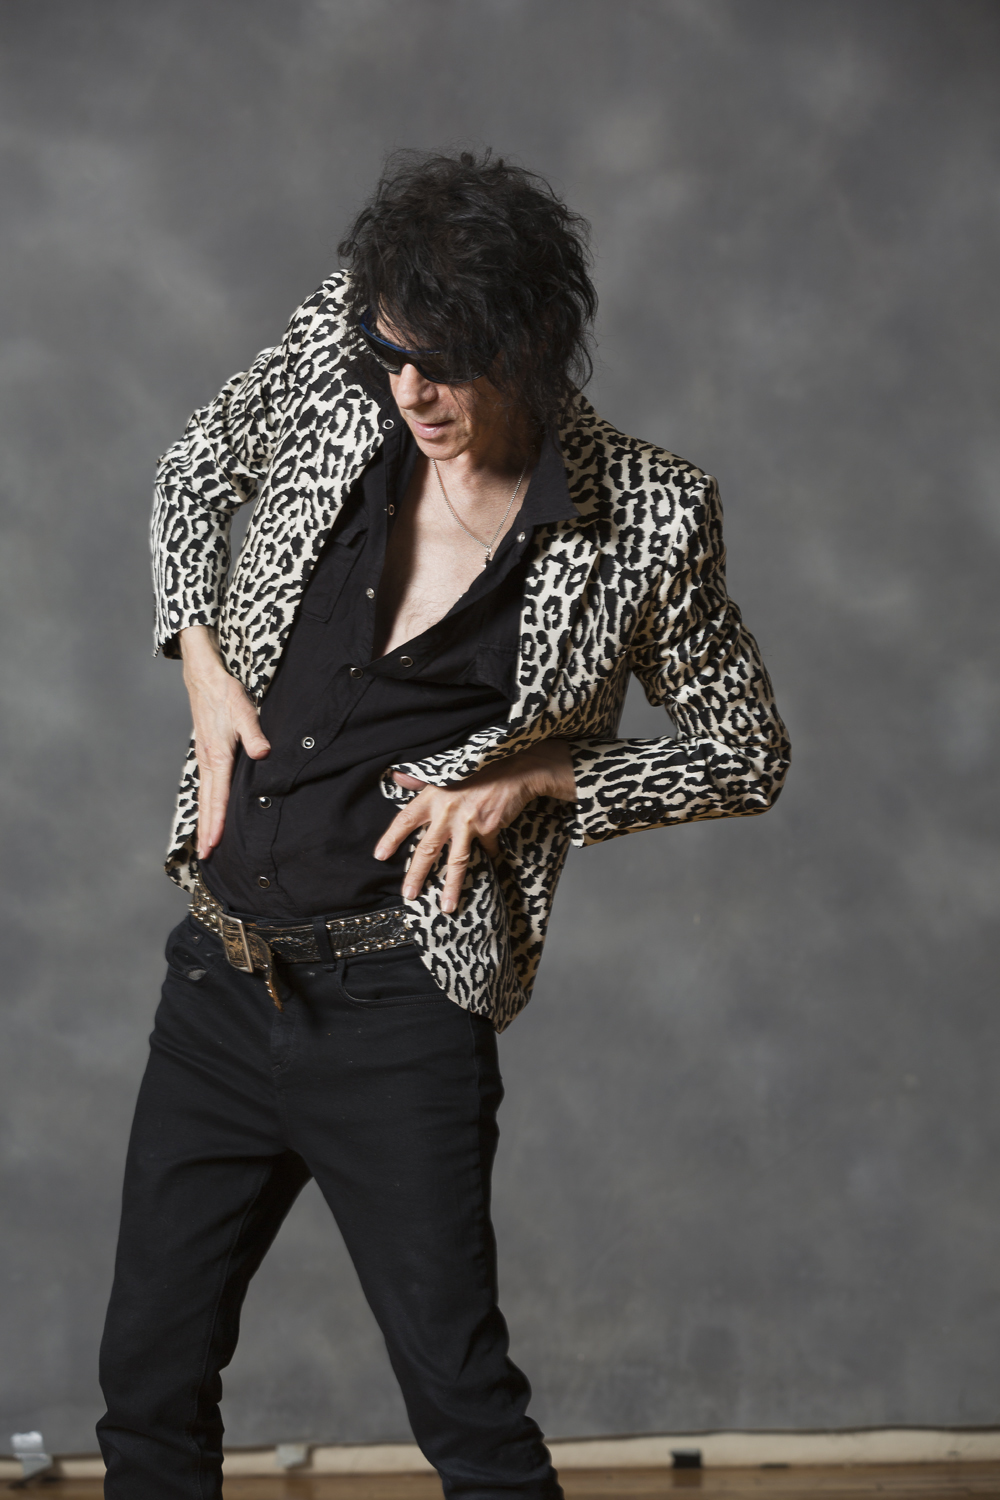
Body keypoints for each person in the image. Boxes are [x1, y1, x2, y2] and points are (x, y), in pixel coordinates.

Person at [97, 150, 790, 1500]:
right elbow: (192, 467)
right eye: (393, 355)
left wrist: (544, 779)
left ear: (529, 342)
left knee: (464, 1409)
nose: (410, 392)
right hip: (222, 978)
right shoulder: (349, 349)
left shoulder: (647, 517)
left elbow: (745, 753)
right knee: (148, 1385)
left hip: (401, 1003)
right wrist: (198, 655)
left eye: (447, 365)